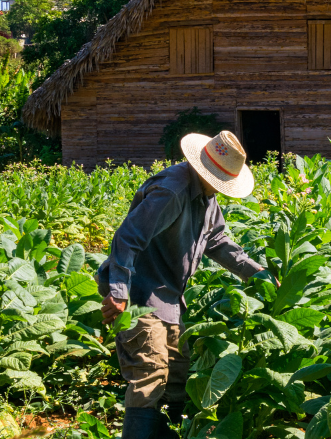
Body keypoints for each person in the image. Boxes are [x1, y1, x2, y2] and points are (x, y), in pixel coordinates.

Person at [96, 131, 265, 439]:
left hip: (169, 299)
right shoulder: (172, 191)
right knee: (150, 372)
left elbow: (218, 241)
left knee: (176, 376)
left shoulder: (206, 197)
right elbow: (128, 237)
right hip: (139, 294)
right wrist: (118, 292)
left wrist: (259, 274)